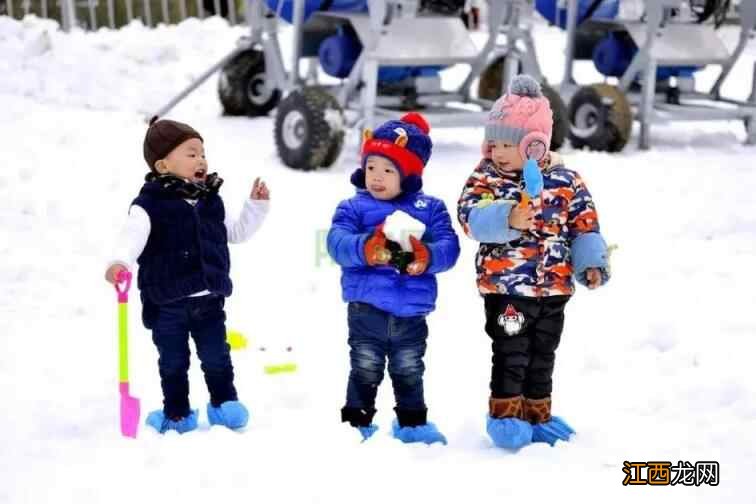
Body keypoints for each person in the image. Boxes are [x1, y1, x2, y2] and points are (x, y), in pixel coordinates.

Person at [457, 75, 610, 449]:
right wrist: (506, 218)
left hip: (554, 288)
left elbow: (584, 224)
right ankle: (505, 415)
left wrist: (590, 262)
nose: (499, 152)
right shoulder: (486, 179)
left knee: (542, 354)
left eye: (509, 144)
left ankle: (537, 414)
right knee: (512, 352)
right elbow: (468, 216)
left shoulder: (566, 181)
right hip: (506, 287)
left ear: (534, 144)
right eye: (494, 143)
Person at [105, 117, 270, 434]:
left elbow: (233, 233)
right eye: (191, 154)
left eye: (203, 153)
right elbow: (131, 237)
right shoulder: (148, 206)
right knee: (173, 363)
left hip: (209, 300)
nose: (202, 160)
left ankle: (224, 404)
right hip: (167, 303)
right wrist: (119, 263)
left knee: (217, 357)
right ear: (164, 165)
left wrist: (256, 208)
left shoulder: (210, 200)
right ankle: (176, 412)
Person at [327, 112, 460, 444]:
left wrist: (425, 257)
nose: (377, 177)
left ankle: (412, 423)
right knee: (364, 366)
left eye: (388, 170)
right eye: (371, 167)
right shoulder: (353, 208)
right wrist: (364, 249)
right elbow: (336, 242)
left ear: (409, 174)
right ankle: (355, 423)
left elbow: (449, 247)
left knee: (409, 368)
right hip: (366, 307)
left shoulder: (430, 208)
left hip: (412, 311)